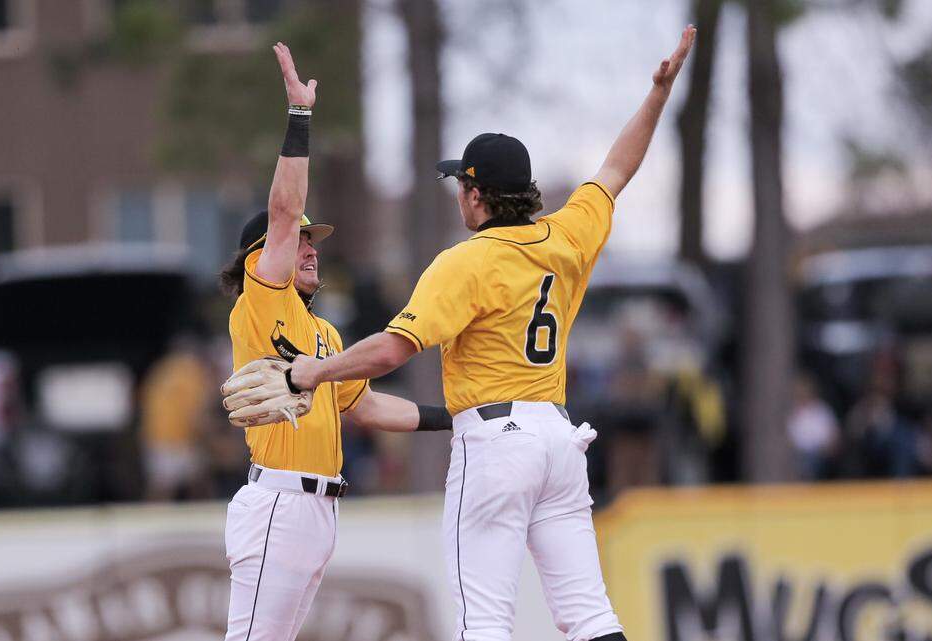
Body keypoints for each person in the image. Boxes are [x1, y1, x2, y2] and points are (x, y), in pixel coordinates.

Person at [260, 27, 697, 641]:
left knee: (484, 622)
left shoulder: (465, 261)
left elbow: (391, 348)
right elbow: (617, 168)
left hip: (496, 444)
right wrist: (658, 93)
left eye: (461, 185)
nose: (458, 196)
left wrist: (310, 370)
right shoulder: (568, 236)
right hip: (557, 437)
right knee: (589, 615)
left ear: (477, 195)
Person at [218, 42, 451, 641]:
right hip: (277, 502)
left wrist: (454, 416)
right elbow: (282, 208)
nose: (311, 245)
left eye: (312, 239)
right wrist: (300, 118)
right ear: (263, 256)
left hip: (318, 509)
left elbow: (366, 405)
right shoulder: (261, 300)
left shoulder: (323, 334)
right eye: (300, 240)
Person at [140, 335, 211, 501]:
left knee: (164, 484)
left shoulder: (160, 369)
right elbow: (196, 412)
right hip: (180, 437)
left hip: (155, 435)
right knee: (194, 482)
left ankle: (153, 520)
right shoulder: (191, 372)